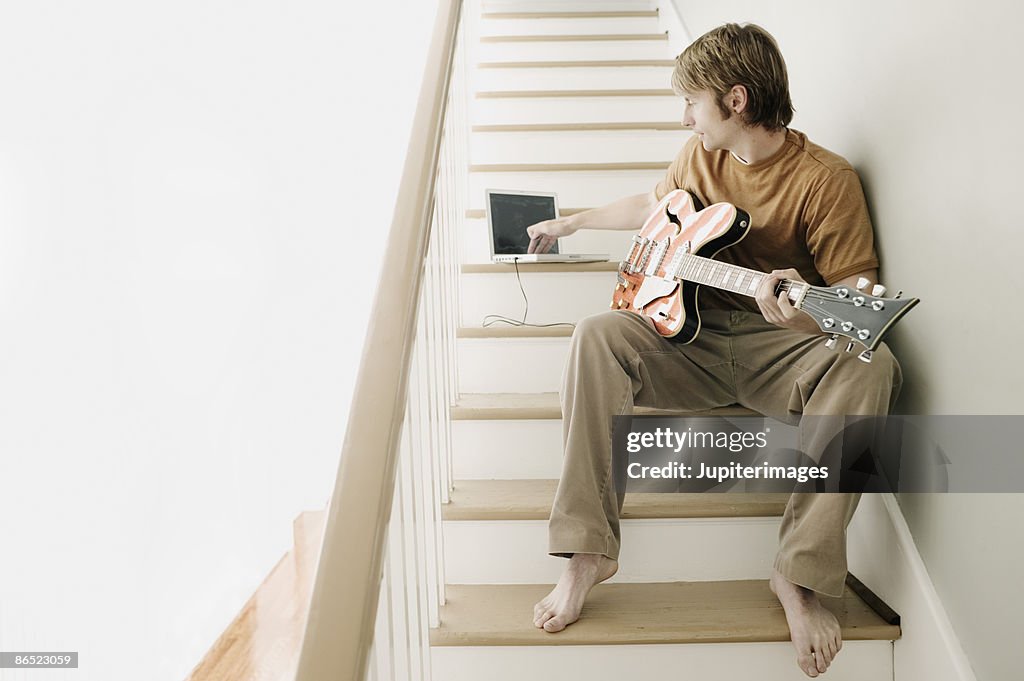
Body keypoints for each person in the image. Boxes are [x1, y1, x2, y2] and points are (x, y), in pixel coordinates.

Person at [524, 23, 902, 678]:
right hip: (686, 342)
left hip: (779, 344)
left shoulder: (826, 180)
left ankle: (801, 574)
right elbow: (652, 211)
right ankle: (587, 552)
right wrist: (573, 222)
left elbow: (854, 299)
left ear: (735, 100)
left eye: (691, 102)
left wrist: (803, 313)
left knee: (877, 365)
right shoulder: (695, 159)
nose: (684, 116)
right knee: (597, 333)